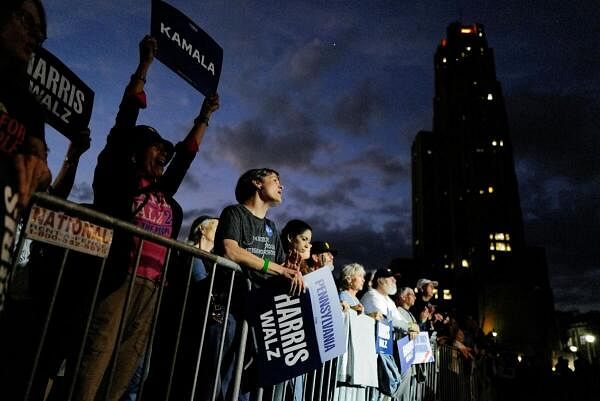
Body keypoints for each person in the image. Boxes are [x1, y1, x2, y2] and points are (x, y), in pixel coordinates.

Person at [72, 35, 219, 401]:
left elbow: (185, 156)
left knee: (126, 368)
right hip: (118, 281)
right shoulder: (116, 180)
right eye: (157, 149)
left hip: (153, 289)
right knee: (95, 359)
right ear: (136, 152)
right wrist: (144, 67)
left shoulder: (164, 193)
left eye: (165, 152)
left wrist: (204, 117)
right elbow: (124, 122)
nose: (164, 156)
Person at [211, 168, 304, 400]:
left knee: (244, 378)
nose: (281, 186)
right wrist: (276, 268)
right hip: (230, 306)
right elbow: (231, 251)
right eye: (275, 180)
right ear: (256, 183)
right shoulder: (234, 213)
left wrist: (294, 272)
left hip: (258, 312)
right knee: (217, 372)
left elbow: (283, 267)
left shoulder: (272, 227)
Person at [0, 0, 51, 314]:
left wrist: (38, 169)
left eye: (40, 33)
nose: (34, 36)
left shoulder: (28, 104)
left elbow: (42, 166)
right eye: (26, 21)